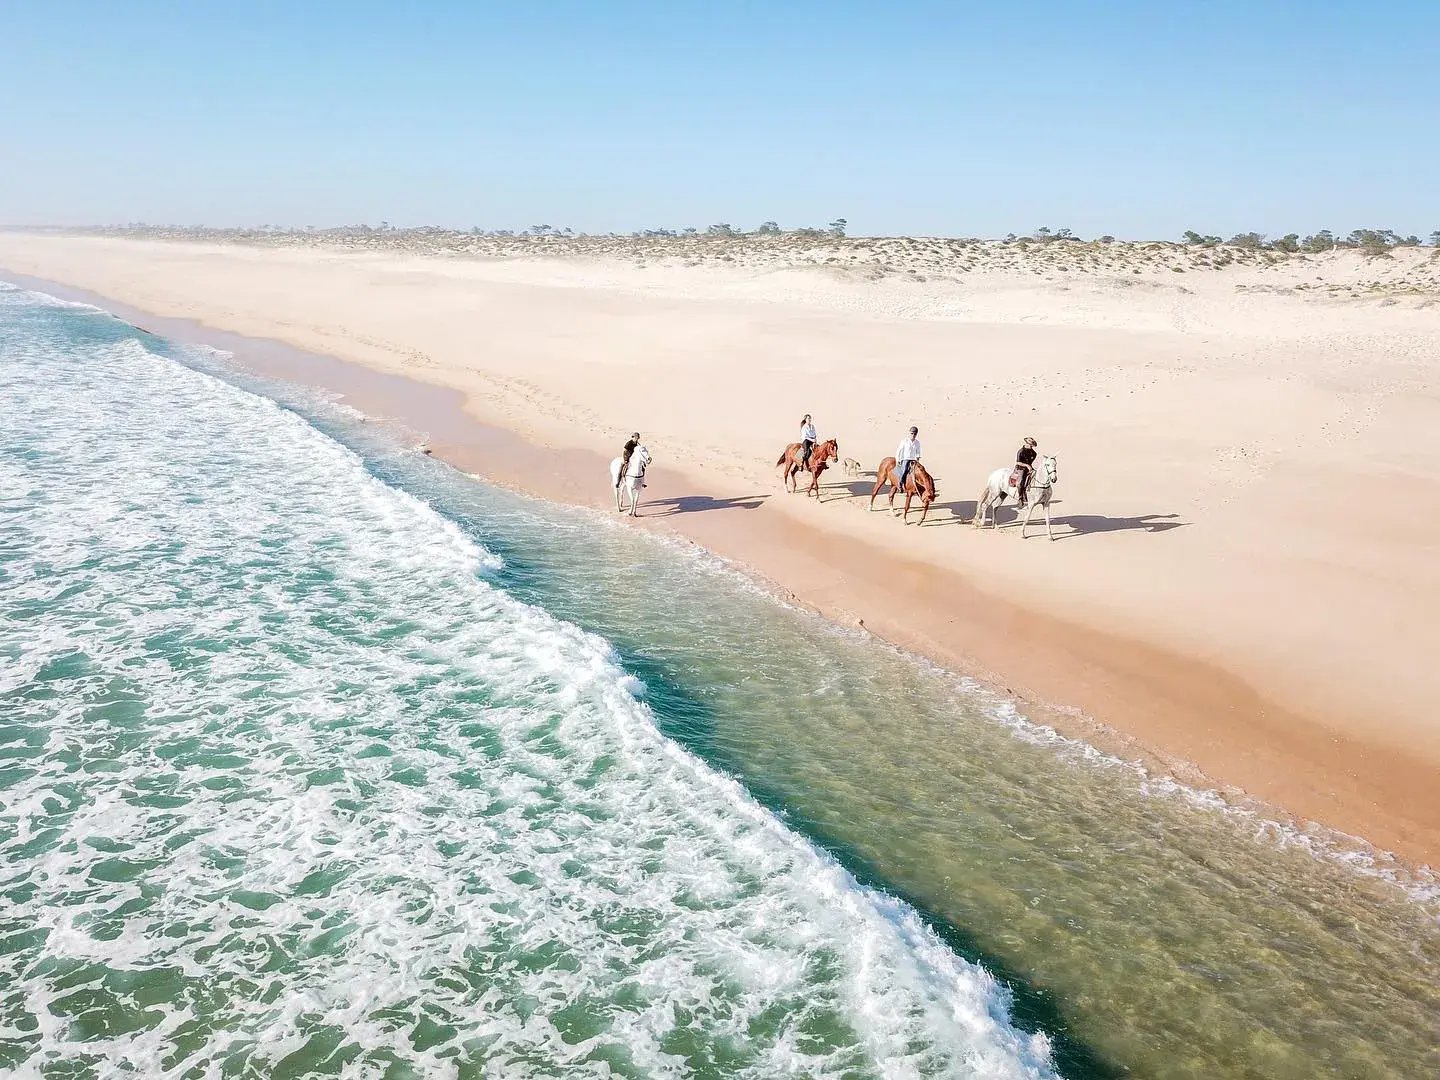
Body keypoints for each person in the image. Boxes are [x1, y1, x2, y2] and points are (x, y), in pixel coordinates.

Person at [895, 426, 922, 490]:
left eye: (915, 433)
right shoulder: (904, 441)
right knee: (904, 470)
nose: (913, 435)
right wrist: (898, 459)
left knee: (920, 471)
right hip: (905, 459)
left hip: (913, 460)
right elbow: (899, 450)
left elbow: (918, 451)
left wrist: (918, 459)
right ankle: (900, 483)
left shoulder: (917, 442)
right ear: (909, 433)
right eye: (912, 433)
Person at [1015, 436, 1038, 507]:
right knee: (1020, 483)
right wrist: (1027, 466)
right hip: (1020, 468)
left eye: (1032, 446)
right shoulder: (1020, 451)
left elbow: (1030, 462)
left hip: (1029, 468)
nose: (1032, 447)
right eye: (1031, 445)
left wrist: (1030, 467)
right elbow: (1018, 462)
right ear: (1027, 444)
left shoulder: (1034, 453)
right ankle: (1020, 498)